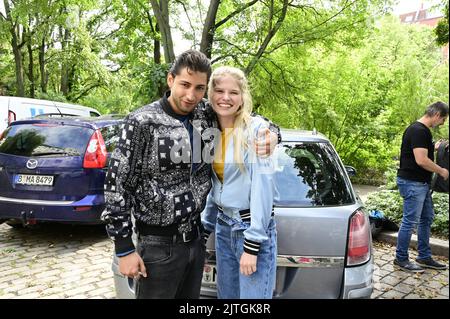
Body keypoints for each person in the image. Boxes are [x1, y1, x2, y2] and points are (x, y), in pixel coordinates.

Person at [102, 50, 279, 299]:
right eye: (185, 84)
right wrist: (123, 248)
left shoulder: (203, 115)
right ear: (170, 79)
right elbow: (116, 187)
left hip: (196, 243)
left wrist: (273, 133)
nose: (190, 95)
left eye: (199, 88)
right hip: (157, 245)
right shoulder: (142, 122)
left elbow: (246, 118)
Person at [202, 66, 277, 299]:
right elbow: (213, 187)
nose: (226, 98)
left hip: (250, 230)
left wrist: (252, 246)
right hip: (223, 228)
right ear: (210, 94)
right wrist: (205, 229)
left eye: (233, 92)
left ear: (243, 96)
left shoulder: (257, 132)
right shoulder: (208, 131)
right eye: (219, 91)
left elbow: (263, 192)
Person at [394, 101, 449, 273]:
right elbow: (421, 160)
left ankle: (424, 256)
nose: (442, 124)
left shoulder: (422, 131)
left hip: (421, 184)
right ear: (437, 115)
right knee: (409, 222)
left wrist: (436, 147)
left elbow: (421, 152)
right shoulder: (418, 130)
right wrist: (441, 170)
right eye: (443, 120)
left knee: (426, 219)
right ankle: (401, 258)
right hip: (413, 183)